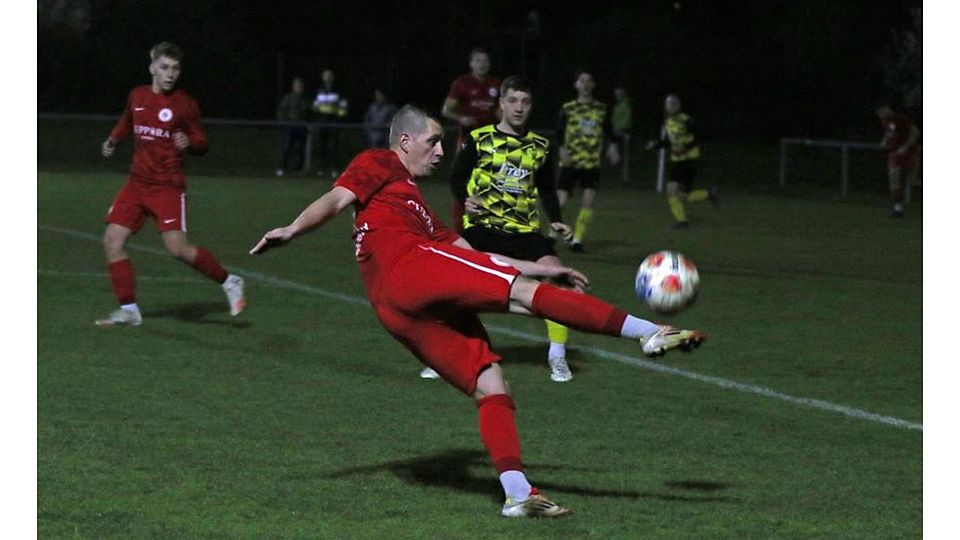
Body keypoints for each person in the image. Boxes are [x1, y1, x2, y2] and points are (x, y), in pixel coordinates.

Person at [250, 104, 706, 518]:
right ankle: (648, 331)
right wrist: (292, 228)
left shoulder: (417, 207)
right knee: (523, 296)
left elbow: (474, 255)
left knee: (491, 382)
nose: (441, 150)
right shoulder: (380, 161)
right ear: (405, 140)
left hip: (396, 308)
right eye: (433, 141)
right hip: (410, 271)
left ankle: (516, 492)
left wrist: (543, 268)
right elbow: (337, 198)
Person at [436, 75, 575, 383]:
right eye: (512, 101)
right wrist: (465, 199)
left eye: (525, 102)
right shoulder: (479, 138)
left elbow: (547, 189)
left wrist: (555, 218)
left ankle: (557, 355)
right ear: (501, 104)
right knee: (451, 283)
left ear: (531, 106)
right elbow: (456, 178)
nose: (519, 108)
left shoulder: (541, 146)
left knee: (559, 279)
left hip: (525, 233)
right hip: (483, 229)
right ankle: (442, 356)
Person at [97, 42, 245, 326]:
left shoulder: (184, 104)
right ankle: (129, 310)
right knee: (112, 240)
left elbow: (202, 140)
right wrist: (113, 140)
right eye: (164, 67)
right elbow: (128, 122)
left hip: (167, 186)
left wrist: (190, 142)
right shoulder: (137, 95)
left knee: (177, 248)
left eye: (175, 68)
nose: (170, 74)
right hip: (137, 183)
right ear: (152, 67)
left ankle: (229, 281)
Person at [555, 70, 620, 252]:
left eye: (588, 80)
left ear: (593, 85)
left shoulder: (601, 109)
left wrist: (613, 146)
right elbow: (559, 132)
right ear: (576, 85)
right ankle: (552, 235)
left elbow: (610, 131)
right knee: (561, 201)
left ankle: (577, 240)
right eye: (581, 80)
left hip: (591, 163)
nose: (585, 84)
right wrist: (561, 151)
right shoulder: (568, 108)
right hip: (571, 161)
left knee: (589, 201)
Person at [442, 47, 501, 233]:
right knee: (463, 182)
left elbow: (499, 112)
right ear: (471, 63)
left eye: (485, 61)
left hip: (490, 141)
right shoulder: (463, 83)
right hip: (467, 139)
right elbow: (446, 109)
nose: (482, 64)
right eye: (478, 61)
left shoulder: (495, 84)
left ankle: (486, 226)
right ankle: (459, 229)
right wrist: (461, 118)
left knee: (489, 182)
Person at [645, 94, 718, 229]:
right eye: (668, 104)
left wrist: (686, 147)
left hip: (689, 160)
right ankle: (709, 194)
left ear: (678, 105)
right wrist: (656, 144)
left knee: (671, 190)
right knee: (684, 196)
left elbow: (701, 136)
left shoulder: (685, 120)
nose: (670, 107)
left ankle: (682, 222)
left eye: (673, 104)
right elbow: (669, 142)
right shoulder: (668, 122)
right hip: (679, 161)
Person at [876, 101, 921, 218]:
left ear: (887, 109)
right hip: (895, 152)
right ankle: (898, 208)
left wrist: (906, 146)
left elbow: (915, 131)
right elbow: (890, 131)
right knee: (893, 178)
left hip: (910, 152)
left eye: (881, 111)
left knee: (912, 180)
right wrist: (885, 141)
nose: (880, 114)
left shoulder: (900, 118)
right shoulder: (886, 121)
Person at [312, 68, 349, 178]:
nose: (327, 78)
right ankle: (321, 168)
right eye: (325, 75)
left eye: (329, 75)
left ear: (332, 77)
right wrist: (317, 113)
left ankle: (334, 168)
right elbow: (315, 105)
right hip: (322, 121)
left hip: (333, 121)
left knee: (333, 146)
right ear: (323, 77)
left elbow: (343, 105)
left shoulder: (338, 90)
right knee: (321, 145)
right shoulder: (319, 89)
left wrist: (339, 115)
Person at [276, 76, 310, 176]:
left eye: (300, 86)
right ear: (293, 87)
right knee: (286, 147)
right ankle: (282, 168)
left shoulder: (305, 100)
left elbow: (309, 113)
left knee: (301, 149)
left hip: (301, 127)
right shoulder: (288, 98)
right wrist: (283, 124)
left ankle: (299, 169)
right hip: (290, 126)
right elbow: (281, 112)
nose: (299, 88)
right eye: (297, 86)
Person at [612, 86, 633, 184]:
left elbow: (627, 120)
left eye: (618, 93)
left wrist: (619, 128)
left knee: (624, 156)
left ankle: (625, 179)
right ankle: (620, 176)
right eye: (616, 94)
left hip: (623, 133)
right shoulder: (618, 105)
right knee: (617, 155)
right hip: (616, 132)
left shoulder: (625, 104)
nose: (616, 96)